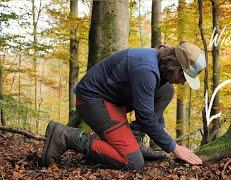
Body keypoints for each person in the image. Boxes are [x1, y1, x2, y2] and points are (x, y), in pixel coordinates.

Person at [42, 42, 206, 170]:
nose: (183, 83)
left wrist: (162, 130)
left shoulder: (159, 67)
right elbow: (146, 118)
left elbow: (152, 103)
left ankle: (133, 142)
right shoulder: (146, 70)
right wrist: (174, 147)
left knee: (166, 90)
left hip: (113, 101)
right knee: (133, 163)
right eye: (184, 76)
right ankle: (64, 136)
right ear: (174, 65)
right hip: (92, 100)